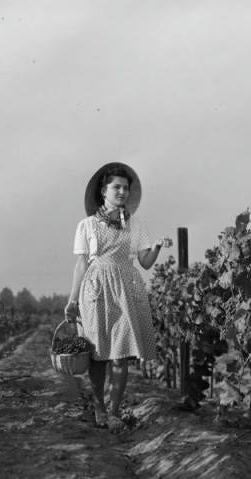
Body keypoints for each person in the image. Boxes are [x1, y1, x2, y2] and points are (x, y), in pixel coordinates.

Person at [64, 161, 171, 430]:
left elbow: (145, 263)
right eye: (116, 187)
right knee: (98, 355)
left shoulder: (136, 225)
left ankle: (113, 412)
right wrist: (73, 300)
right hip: (96, 289)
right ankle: (99, 407)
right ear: (104, 191)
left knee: (120, 354)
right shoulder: (86, 225)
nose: (122, 192)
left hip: (126, 288)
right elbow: (81, 265)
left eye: (125, 188)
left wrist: (156, 246)